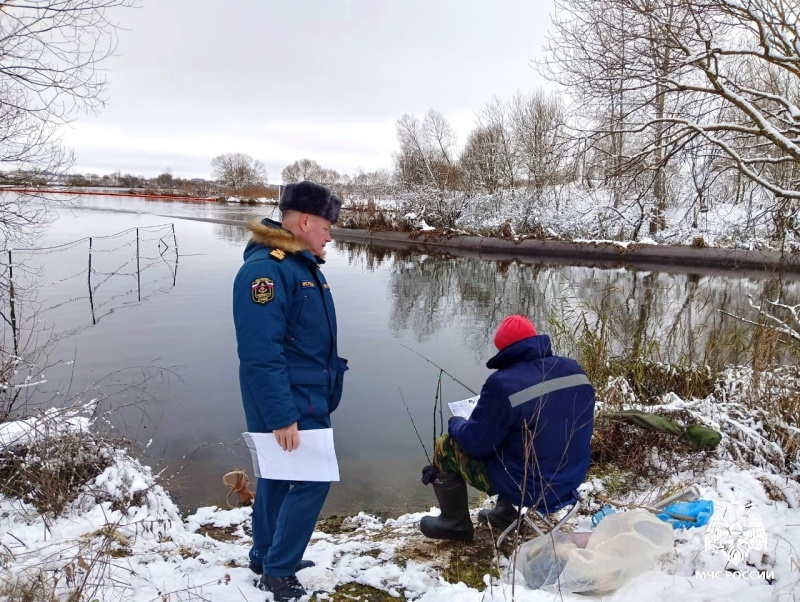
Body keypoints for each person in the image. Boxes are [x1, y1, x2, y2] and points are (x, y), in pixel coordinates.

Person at [233, 180, 348, 601]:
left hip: (304, 392)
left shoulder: (299, 264)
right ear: (303, 221)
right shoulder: (267, 270)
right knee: (313, 479)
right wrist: (282, 414)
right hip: (289, 398)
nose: (330, 234)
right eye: (326, 226)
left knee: (279, 477)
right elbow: (260, 354)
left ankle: (265, 555)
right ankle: (279, 571)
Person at [419, 314, 595, 541]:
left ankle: (454, 523)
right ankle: (503, 513)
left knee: (446, 444)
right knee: (515, 435)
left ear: (503, 349)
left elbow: (475, 444)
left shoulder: (502, 384)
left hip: (527, 487)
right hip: (571, 477)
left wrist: (457, 424)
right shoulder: (575, 370)